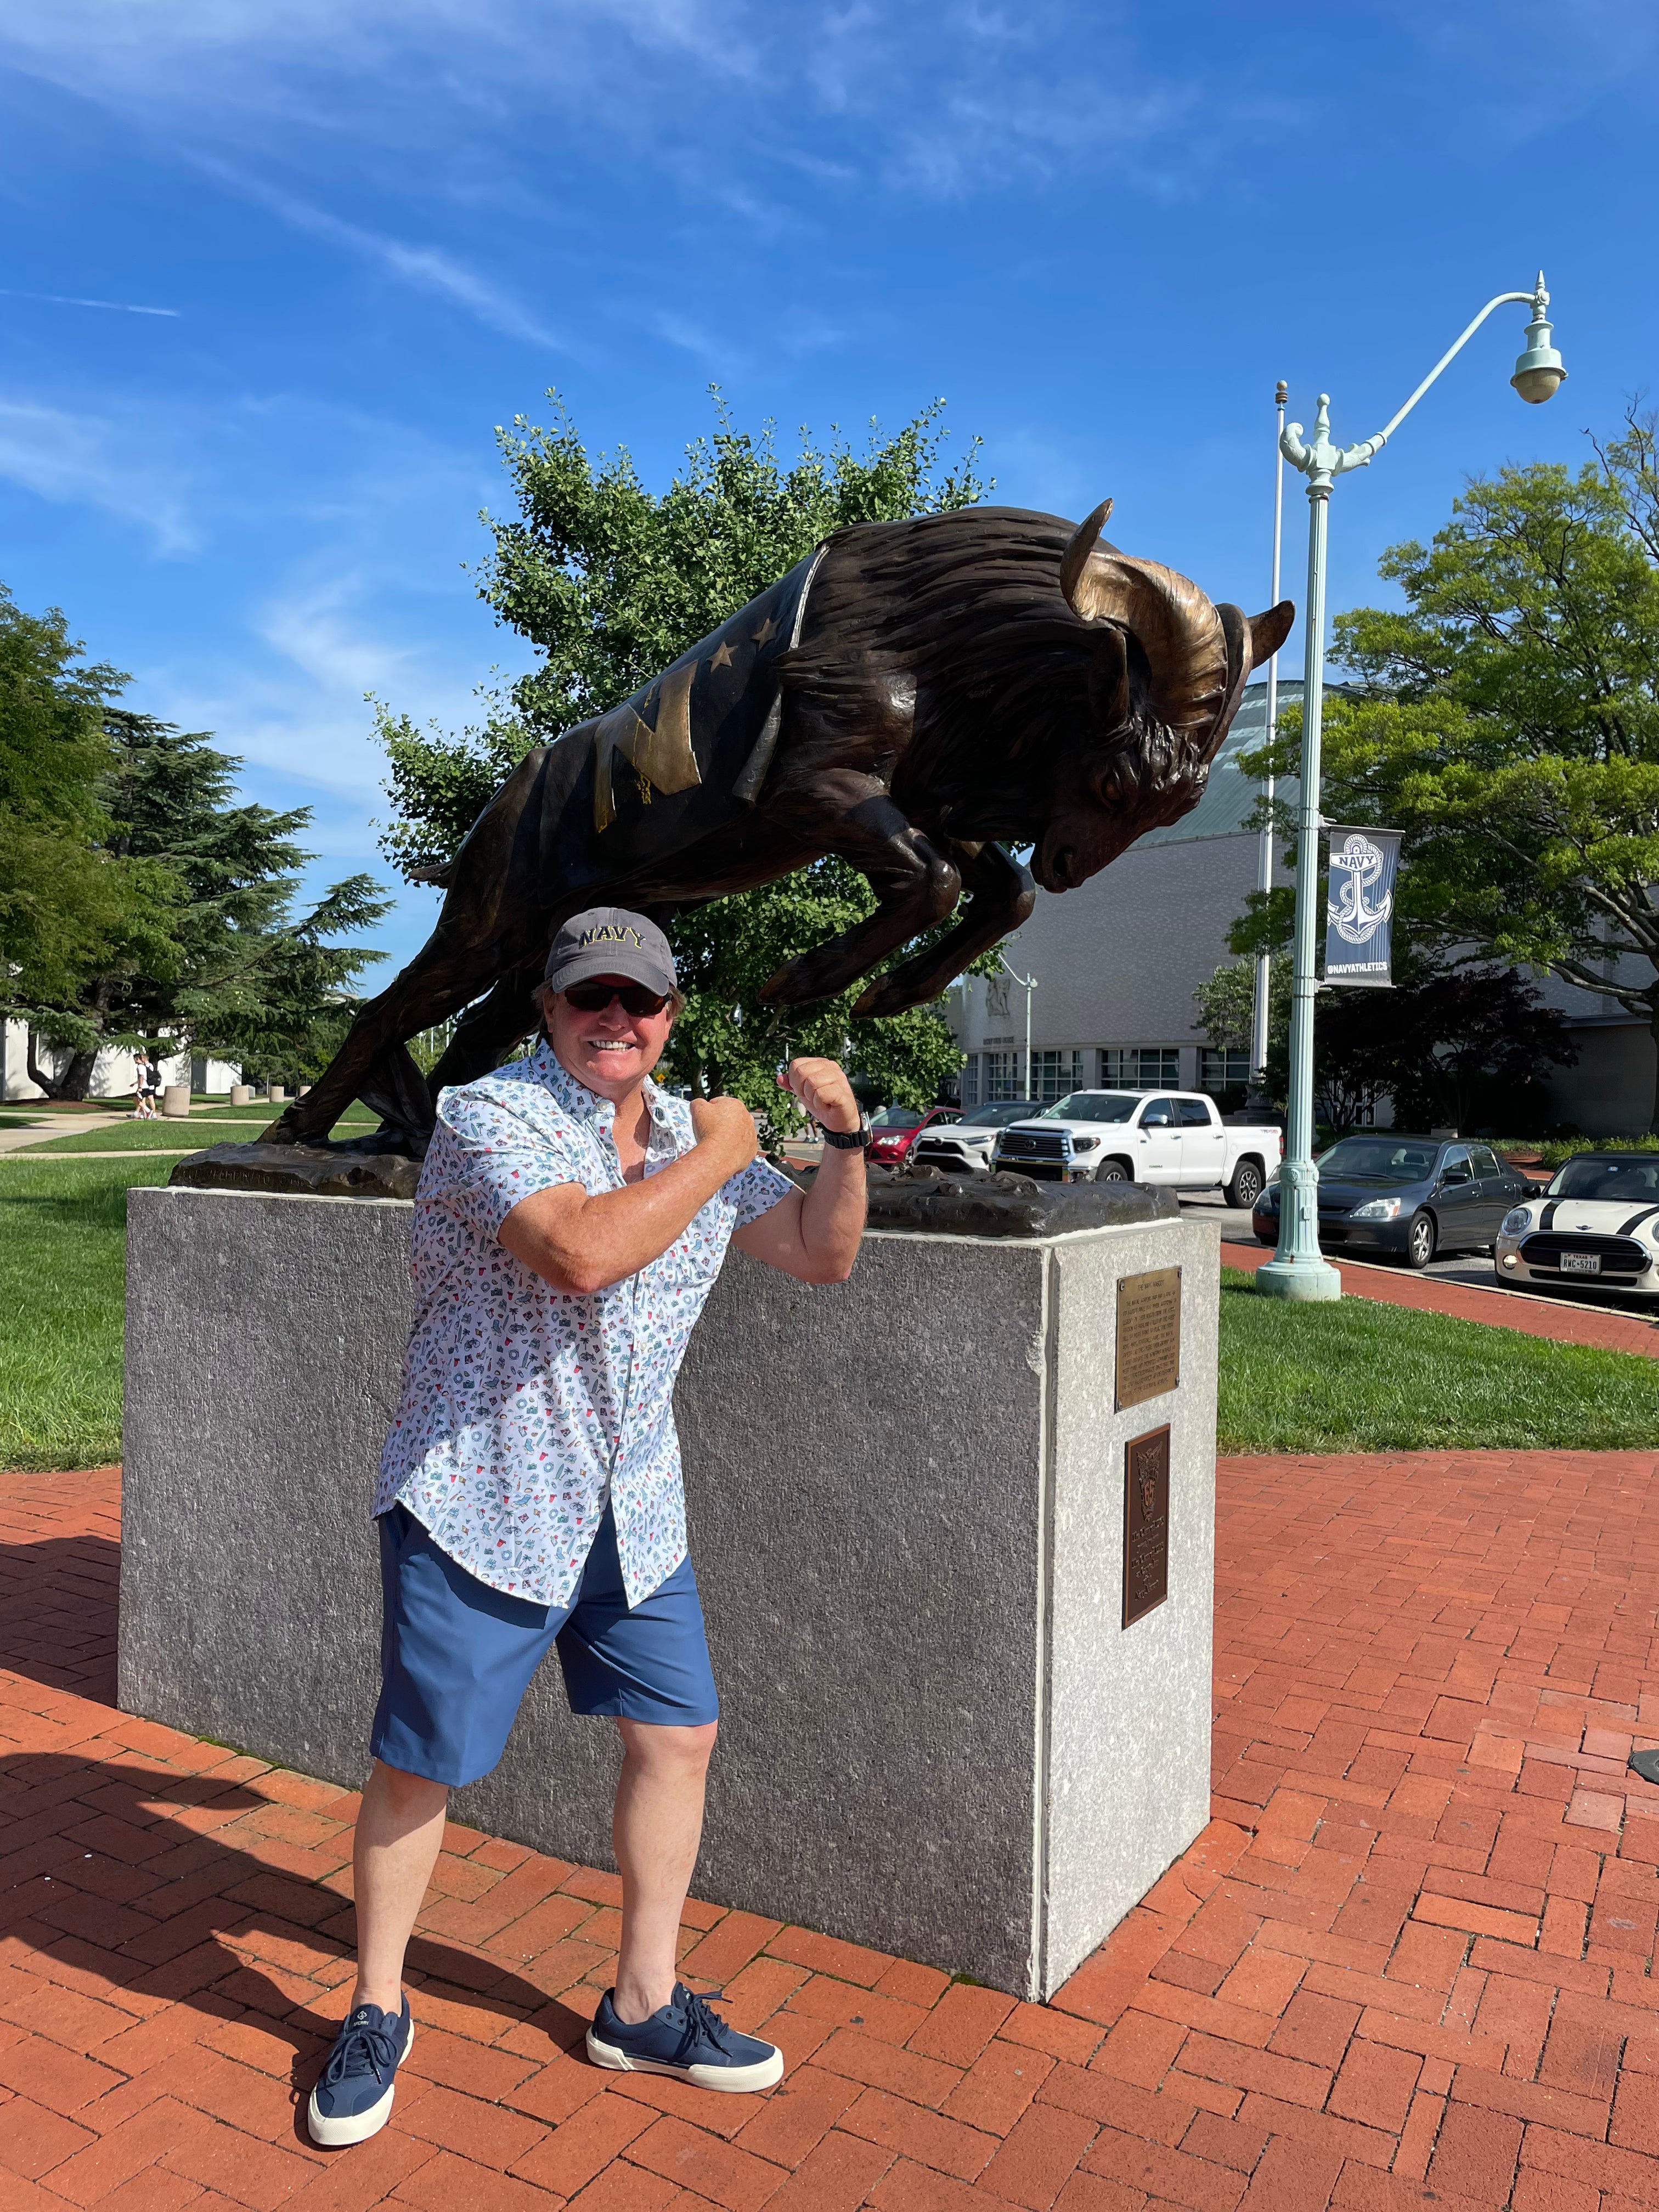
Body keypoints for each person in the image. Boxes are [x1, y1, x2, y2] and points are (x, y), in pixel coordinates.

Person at [307, 906, 870, 2147]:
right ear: (550, 1009)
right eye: (588, 998)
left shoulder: (681, 1133)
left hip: (632, 1502)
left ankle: (642, 2003)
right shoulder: (489, 1117)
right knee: (425, 1763)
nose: (617, 1020)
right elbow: (579, 1254)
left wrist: (841, 1139)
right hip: (485, 1501)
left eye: (642, 1000)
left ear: (670, 1013)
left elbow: (821, 1256)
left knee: (680, 1736)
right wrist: (728, 1151)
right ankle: (377, 2006)